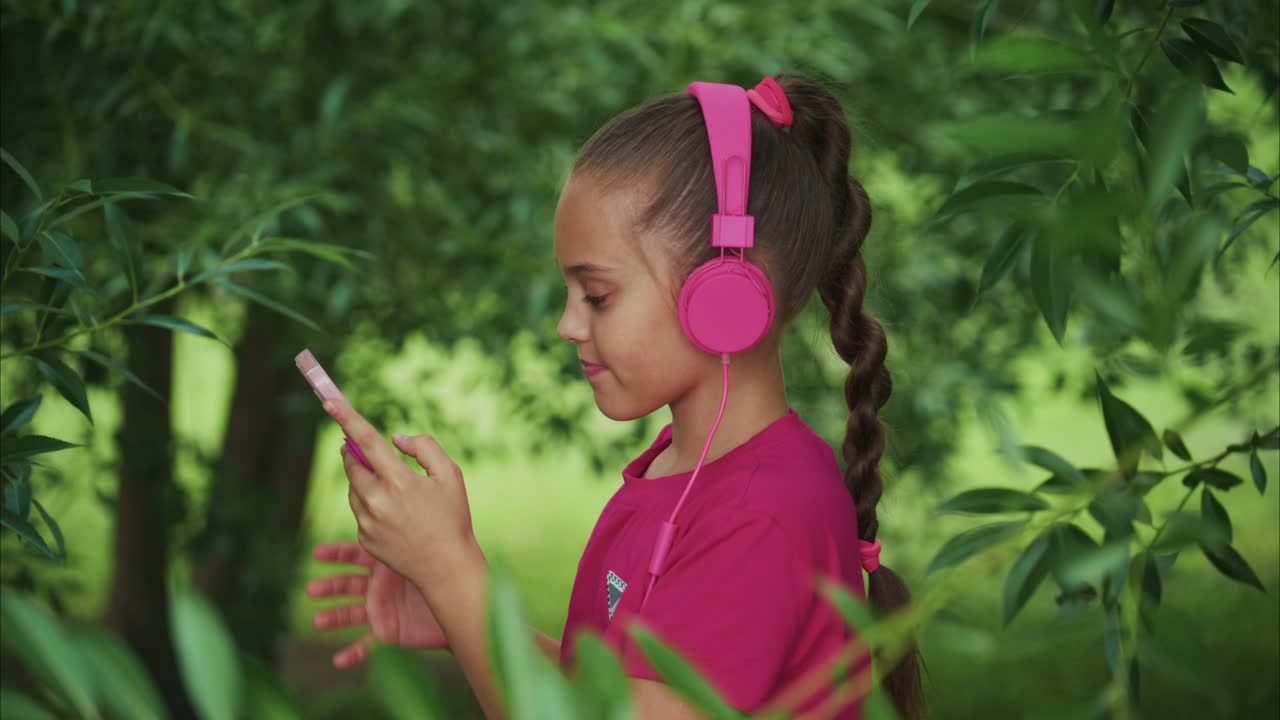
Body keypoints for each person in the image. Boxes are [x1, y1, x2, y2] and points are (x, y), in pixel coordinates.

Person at [305, 73, 924, 720]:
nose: (568, 325)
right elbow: (608, 699)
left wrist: (452, 575)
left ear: (728, 295)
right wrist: (463, 613)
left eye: (597, 295)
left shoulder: (762, 515)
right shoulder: (676, 471)